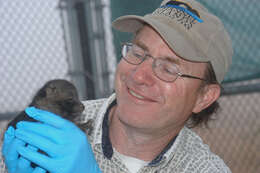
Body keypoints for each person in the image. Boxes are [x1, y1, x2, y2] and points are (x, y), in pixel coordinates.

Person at [1, 0, 233, 172]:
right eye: (138, 52)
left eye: (168, 69)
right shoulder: (50, 126)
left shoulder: (202, 168)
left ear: (204, 97)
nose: (140, 76)